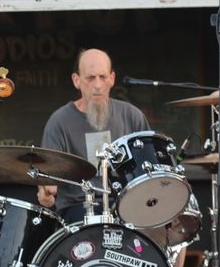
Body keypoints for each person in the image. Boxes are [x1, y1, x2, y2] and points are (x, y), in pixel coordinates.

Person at [37, 48, 150, 224]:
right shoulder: (59, 121)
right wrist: (45, 191)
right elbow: (47, 176)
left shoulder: (132, 116)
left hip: (126, 205)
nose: (97, 85)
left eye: (103, 77)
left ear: (112, 79)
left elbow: (149, 167)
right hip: (77, 208)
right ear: (76, 80)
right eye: (90, 78)